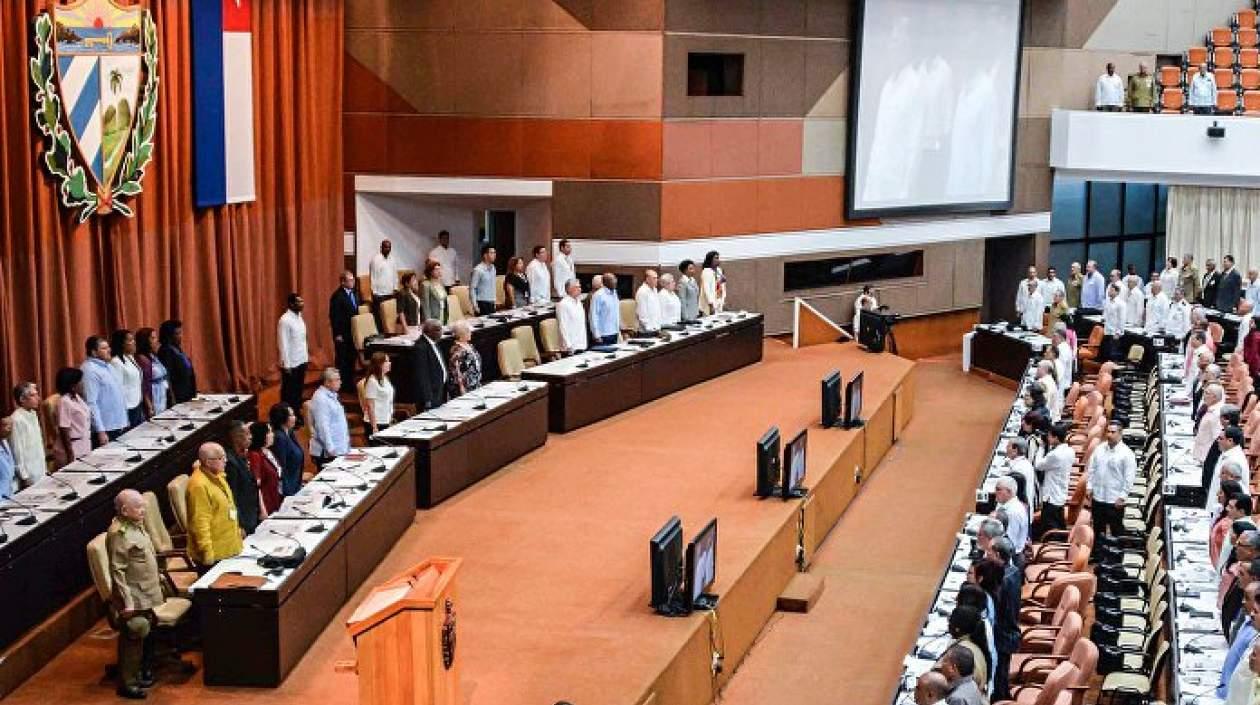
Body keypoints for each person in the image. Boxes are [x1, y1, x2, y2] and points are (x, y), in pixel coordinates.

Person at [106, 489, 164, 699]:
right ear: (124, 510)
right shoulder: (118, 533)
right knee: (136, 630)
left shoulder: (136, 526)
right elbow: (117, 570)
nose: (144, 510)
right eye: (138, 507)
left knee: (145, 631)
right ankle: (127, 684)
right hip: (133, 595)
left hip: (146, 591)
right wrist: (127, 602)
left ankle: (140, 673)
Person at [186, 442, 244, 568]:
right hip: (215, 555)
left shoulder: (218, 475)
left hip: (230, 546)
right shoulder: (198, 486)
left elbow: (228, 507)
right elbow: (200, 522)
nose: (226, 461)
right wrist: (207, 554)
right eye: (221, 458)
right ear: (208, 462)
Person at [1086, 421, 1136, 537]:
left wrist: (1123, 497)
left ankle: (1116, 554)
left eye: (1113, 432)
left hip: (1114, 499)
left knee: (1116, 530)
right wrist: (1089, 486)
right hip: (1098, 496)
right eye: (1108, 431)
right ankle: (1098, 553)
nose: (1109, 434)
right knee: (1097, 529)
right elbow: (1092, 468)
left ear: (1120, 433)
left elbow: (1129, 478)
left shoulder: (1127, 454)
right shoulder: (1099, 449)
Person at [988, 537, 1023, 701]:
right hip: (1009, 630)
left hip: (1003, 635)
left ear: (996, 554)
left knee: (999, 680)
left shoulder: (1003, 580)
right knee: (1001, 678)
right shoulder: (1014, 570)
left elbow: (995, 608)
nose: (986, 555)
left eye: (989, 551)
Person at [81, 335, 128, 446]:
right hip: (106, 428)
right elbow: (91, 403)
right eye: (104, 348)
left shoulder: (108, 366)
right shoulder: (90, 370)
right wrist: (100, 431)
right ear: (94, 352)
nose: (109, 350)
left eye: (108, 347)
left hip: (119, 424)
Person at [1035, 423, 1073, 537]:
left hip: (1051, 496)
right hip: (1060, 493)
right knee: (1059, 523)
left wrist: (1041, 447)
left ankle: (1052, 545)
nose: (1047, 438)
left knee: (1050, 527)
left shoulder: (1055, 455)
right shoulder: (1070, 451)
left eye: (1050, 436)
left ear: (1056, 437)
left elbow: (1038, 465)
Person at [224, 421, 263, 533]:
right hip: (244, 520)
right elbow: (232, 497)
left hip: (252, 514)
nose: (251, 437)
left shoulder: (241, 456)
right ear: (237, 438)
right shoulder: (230, 463)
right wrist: (239, 525)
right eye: (247, 434)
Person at [944, 606, 991, 695]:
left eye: (950, 621)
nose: (948, 623)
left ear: (957, 629)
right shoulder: (975, 644)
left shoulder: (962, 652)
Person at [309, 367, 350, 467]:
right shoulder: (321, 399)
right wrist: (330, 448)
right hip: (328, 453)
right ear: (327, 382)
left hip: (338, 449)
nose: (340, 382)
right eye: (337, 379)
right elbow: (322, 426)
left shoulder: (332, 395)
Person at [9, 382, 45, 488]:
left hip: (40, 469)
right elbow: (17, 450)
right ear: (22, 399)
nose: (38, 398)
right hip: (29, 475)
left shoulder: (33, 414)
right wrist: (24, 476)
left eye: (37, 394)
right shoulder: (16, 419)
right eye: (33, 395)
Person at [277, 293, 309, 413]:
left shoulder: (299, 316)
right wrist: (286, 365)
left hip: (301, 359)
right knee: (289, 393)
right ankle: (286, 415)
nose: (302, 304)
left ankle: (295, 413)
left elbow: (302, 339)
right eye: (299, 302)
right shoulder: (284, 320)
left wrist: (306, 358)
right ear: (291, 304)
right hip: (291, 363)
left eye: (302, 301)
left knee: (298, 391)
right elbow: (283, 344)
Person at [53, 367, 91, 467]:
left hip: (84, 445)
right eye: (80, 382)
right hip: (72, 449)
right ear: (72, 385)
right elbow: (63, 429)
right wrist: (70, 454)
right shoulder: (64, 402)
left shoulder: (77, 397)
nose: (83, 384)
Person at [329, 271, 360, 389]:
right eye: (350, 280)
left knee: (351, 358)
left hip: (352, 332)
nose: (353, 282)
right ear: (343, 282)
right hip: (342, 334)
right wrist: (337, 334)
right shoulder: (337, 296)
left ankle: (349, 382)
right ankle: (341, 384)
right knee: (342, 360)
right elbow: (334, 316)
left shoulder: (354, 294)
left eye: (353, 280)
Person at [268, 402, 305, 497]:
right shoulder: (279, 438)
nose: (295, 417)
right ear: (282, 418)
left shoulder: (290, 432)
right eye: (291, 415)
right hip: (287, 489)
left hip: (295, 484)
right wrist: (286, 492)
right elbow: (281, 466)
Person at [246, 422, 282, 516]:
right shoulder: (255, 456)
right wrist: (262, 510)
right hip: (266, 506)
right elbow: (256, 485)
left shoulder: (267, 451)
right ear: (261, 435)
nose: (272, 434)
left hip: (275, 499)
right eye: (269, 432)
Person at [157, 320, 197, 404]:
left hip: (186, 394)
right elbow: (167, 376)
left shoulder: (177, 348)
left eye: (180, 333)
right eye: (177, 334)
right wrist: (172, 397)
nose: (180, 336)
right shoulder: (165, 351)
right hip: (177, 396)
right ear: (169, 336)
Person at [134, 327, 169, 418]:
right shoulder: (142, 359)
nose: (156, 341)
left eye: (156, 337)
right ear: (145, 341)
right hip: (153, 396)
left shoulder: (153, 356)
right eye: (153, 338)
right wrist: (149, 406)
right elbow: (144, 385)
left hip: (162, 394)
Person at [415, 320, 449, 410]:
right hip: (431, 394)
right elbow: (422, 374)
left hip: (440, 389)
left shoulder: (434, 343)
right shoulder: (420, 347)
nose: (442, 332)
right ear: (430, 332)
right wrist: (427, 398)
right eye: (438, 330)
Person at [992, 476, 1028, 557]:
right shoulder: (1007, 504)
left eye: (998, 489)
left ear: (1009, 492)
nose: (995, 492)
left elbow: (1009, 543)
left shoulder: (1012, 513)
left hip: (1012, 558)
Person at [448, 319, 483, 398]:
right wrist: (462, 389)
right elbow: (456, 372)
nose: (471, 333)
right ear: (462, 334)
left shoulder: (469, 345)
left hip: (475, 384)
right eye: (468, 331)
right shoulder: (457, 350)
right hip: (465, 388)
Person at [363, 352, 395, 436]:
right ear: (380, 364)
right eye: (387, 361)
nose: (389, 363)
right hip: (376, 423)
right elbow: (370, 406)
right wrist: (374, 427)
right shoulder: (372, 381)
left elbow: (389, 401)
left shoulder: (385, 378)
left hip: (386, 420)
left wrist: (390, 418)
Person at [1195, 383, 1226, 465]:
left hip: (1207, 457)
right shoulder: (1211, 408)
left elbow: (1217, 439)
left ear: (1215, 397)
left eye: (1207, 393)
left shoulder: (1217, 414)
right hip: (1202, 455)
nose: (1204, 395)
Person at [556, 279, 587, 354]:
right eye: (577, 287)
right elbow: (563, 326)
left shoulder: (579, 302)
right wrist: (568, 345)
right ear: (569, 289)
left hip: (581, 343)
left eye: (580, 287)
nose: (580, 289)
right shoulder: (563, 304)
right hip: (571, 347)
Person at [591, 274, 621, 345]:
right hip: (603, 334)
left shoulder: (615, 293)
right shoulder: (598, 295)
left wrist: (618, 330)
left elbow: (616, 313)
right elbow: (594, 315)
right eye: (612, 280)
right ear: (605, 282)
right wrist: (596, 334)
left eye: (615, 279)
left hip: (614, 332)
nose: (615, 281)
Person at [369, 238, 399, 306]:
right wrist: (374, 293)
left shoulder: (392, 259)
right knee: (380, 315)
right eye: (386, 247)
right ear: (381, 247)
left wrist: (395, 288)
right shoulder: (375, 260)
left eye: (389, 247)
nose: (388, 249)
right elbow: (373, 277)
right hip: (380, 294)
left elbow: (395, 275)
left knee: (390, 314)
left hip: (391, 293)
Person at [469, 245, 498, 315]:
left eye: (495, 253)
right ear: (485, 255)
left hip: (491, 301)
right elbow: (472, 288)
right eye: (491, 253)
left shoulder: (493, 268)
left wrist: (494, 300)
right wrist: (475, 305)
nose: (494, 255)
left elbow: (492, 286)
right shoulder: (478, 270)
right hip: (482, 302)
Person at [1102, 284, 1126, 361]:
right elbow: (1105, 313)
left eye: (1111, 290)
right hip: (1107, 331)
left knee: (1113, 354)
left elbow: (1121, 319)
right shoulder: (1107, 301)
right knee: (1106, 354)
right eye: (1109, 290)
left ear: (1117, 292)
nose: (1109, 291)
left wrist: (1118, 332)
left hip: (1114, 333)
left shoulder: (1121, 304)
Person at [421, 259, 449, 324]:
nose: (439, 271)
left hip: (443, 314)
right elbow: (425, 306)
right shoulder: (425, 285)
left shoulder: (440, 284)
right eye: (436, 269)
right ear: (430, 272)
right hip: (433, 318)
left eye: (439, 269)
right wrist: (429, 322)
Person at [635, 269, 663, 334]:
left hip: (656, 328)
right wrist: (650, 329)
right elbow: (642, 313)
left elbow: (657, 309)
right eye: (654, 278)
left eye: (657, 278)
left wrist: (658, 327)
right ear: (647, 279)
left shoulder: (655, 290)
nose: (657, 280)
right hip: (646, 331)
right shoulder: (642, 292)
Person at [0, 419, 14, 500]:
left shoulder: (5, 442)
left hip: (9, 494)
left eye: (11, 425)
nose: (10, 429)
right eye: (6, 426)